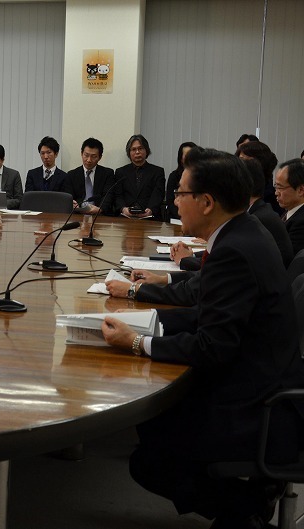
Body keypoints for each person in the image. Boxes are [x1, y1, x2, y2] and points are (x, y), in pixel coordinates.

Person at [101, 147, 304, 528]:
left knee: (149, 460)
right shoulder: (242, 232)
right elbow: (207, 312)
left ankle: (244, 508)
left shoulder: (235, 251)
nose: (173, 200)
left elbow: (212, 346)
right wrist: (149, 319)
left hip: (257, 406)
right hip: (258, 381)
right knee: (151, 419)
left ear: (207, 202)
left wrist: (136, 342)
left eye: (180, 193)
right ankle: (247, 500)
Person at [113, 134, 165, 220]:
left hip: (150, 218)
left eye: (140, 148)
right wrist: (123, 209)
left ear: (146, 150)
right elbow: (118, 196)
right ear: (129, 153)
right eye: (133, 149)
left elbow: (158, 194)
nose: (137, 152)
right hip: (125, 218)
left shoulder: (157, 172)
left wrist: (150, 210)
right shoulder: (120, 172)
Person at [62, 137, 115, 215]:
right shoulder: (71, 175)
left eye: (93, 156)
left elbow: (108, 195)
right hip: (78, 215)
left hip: (99, 215)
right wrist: (72, 203)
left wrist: (100, 209)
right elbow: (68, 196)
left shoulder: (107, 174)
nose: (89, 160)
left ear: (100, 157)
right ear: (81, 153)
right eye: (86, 155)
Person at [237, 140, 282, 215]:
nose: (241, 165)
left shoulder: (270, 195)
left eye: (247, 160)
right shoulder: (239, 187)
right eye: (240, 160)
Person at [275, 158, 304, 256]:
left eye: (280, 187)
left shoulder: (301, 222)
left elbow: (288, 259)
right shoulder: (290, 211)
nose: (276, 192)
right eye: (276, 186)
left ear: (300, 190)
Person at [164, 141, 197, 220]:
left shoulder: (202, 177)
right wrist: (182, 216)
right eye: (187, 155)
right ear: (181, 158)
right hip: (176, 218)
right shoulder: (174, 176)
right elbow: (171, 202)